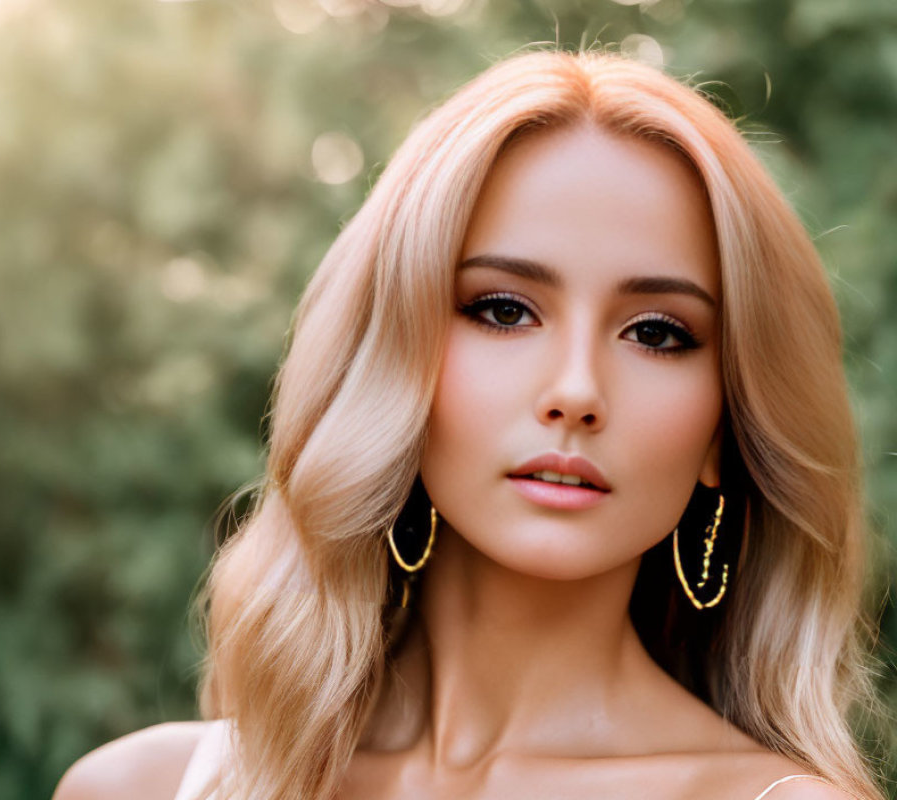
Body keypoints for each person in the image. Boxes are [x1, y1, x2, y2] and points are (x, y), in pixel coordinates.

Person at [53, 49, 888, 800]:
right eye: (503, 310)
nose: (575, 391)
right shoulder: (143, 787)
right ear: (395, 358)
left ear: (724, 429)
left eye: (659, 332)